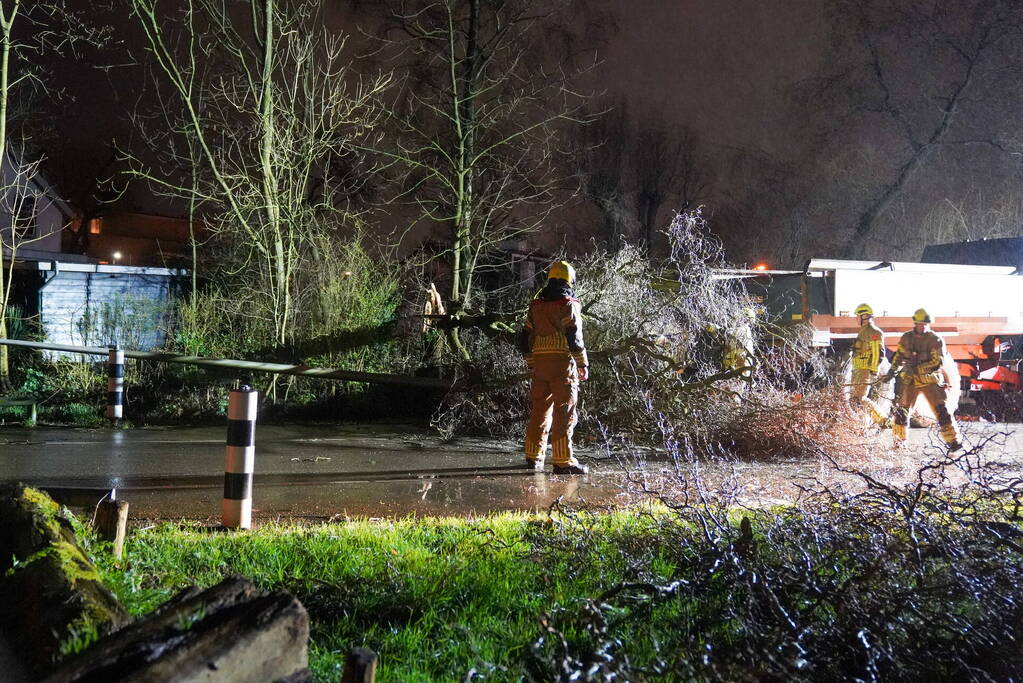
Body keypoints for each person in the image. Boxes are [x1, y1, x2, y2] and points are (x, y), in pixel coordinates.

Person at [517, 260, 589, 474]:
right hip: (562, 366)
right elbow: (574, 337)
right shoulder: (568, 304)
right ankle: (563, 461)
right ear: (570, 281)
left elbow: (524, 338)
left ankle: (533, 457)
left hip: (540, 366)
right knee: (564, 412)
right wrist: (582, 363)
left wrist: (531, 362)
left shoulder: (535, 306)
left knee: (539, 411)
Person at [886, 308, 962, 451]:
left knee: (942, 411)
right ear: (915, 323)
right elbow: (899, 356)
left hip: (929, 381)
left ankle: (954, 442)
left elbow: (938, 362)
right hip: (910, 381)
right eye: (920, 324)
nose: (922, 326)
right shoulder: (906, 338)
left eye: (925, 324)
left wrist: (919, 368)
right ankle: (899, 443)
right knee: (902, 412)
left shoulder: (935, 340)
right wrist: (892, 371)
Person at [849, 303, 890, 426]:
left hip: (865, 370)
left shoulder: (874, 332)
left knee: (860, 398)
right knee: (855, 400)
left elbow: (878, 353)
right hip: (858, 369)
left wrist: (873, 370)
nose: (856, 318)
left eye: (858, 316)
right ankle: (862, 423)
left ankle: (883, 420)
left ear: (865, 316)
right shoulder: (863, 331)